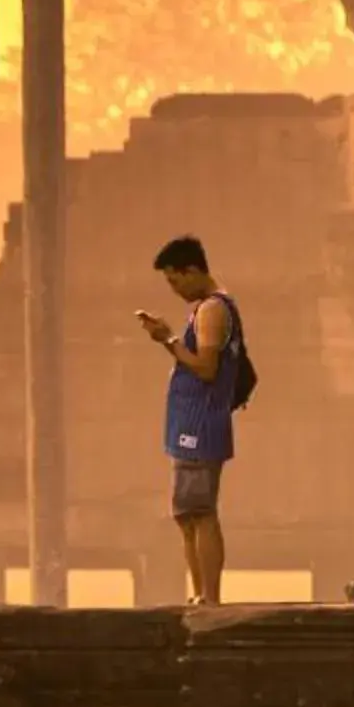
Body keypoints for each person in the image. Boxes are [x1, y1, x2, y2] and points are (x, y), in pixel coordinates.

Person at [137, 234, 242, 605]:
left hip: (201, 424)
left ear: (194, 270)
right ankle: (200, 593)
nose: (174, 289)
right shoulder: (203, 309)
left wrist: (168, 340)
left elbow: (207, 368)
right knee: (185, 515)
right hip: (187, 424)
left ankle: (210, 596)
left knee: (200, 509)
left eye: (175, 280)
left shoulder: (214, 309)